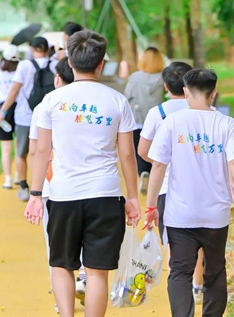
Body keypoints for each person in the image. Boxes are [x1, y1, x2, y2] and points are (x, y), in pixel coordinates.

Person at [25, 29, 141, 317]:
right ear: (101, 64)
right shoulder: (117, 101)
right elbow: (127, 154)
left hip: (63, 195)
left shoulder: (51, 101)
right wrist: (132, 197)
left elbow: (41, 151)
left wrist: (36, 194)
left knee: (62, 264)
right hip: (105, 195)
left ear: (70, 63)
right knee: (97, 271)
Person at [144, 68, 234, 317]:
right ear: (213, 93)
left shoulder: (172, 122)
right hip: (215, 215)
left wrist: (151, 206)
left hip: (180, 215)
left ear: (185, 92)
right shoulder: (226, 124)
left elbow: (158, 166)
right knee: (215, 272)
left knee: (180, 272)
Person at [138, 61, 206, 299]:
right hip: (200, 185)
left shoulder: (157, 113)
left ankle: (179, 287)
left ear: (165, 86)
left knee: (172, 240)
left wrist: (164, 161)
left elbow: (142, 150)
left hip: (167, 187)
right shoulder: (204, 110)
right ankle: (198, 286)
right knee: (199, 237)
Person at [28, 57, 81, 303]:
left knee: (56, 243)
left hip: (53, 184)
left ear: (57, 78)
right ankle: (83, 276)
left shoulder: (45, 106)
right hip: (89, 183)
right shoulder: (95, 102)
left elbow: (35, 150)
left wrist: (35, 191)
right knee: (86, 235)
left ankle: (62, 299)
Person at [0, 36, 55, 202]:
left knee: (22, 153)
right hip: (49, 118)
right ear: (47, 49)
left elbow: (14, 90)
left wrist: (2, 112)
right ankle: (44, 186)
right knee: (48, 152)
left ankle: (24, 187)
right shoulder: (55, 65)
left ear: (32, 49)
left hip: (24, 116)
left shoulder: (24, 65)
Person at [124, 46, 165, 193]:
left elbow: (127, 96)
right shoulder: (163, 78)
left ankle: (143, 172)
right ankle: (155, 175)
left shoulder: (134, 78)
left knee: (140, 149)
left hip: (139, 119)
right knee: (157, 150)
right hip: (159, 120)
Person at [0, 47, 20, 189]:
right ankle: (18, 176)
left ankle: (8, 179)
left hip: (3, 109)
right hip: (19, 108)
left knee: (5, 147)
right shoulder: (20, 72)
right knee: (19, 145)